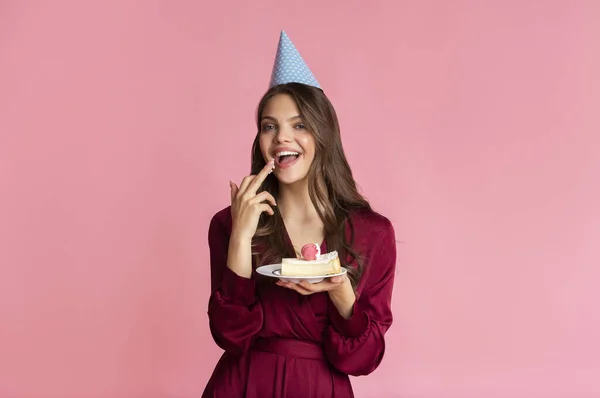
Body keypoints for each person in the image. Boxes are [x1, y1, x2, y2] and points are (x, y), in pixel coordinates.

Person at [202, 31, 397, 398]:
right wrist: (242, 237)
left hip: (321, 388)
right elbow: (229, 334)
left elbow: (363, 360)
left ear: (324, 135)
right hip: (242, 386)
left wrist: (342, 294)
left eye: (299, 124)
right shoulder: (228, 224)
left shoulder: (372, 233)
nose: (281, 138)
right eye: (269, 126)